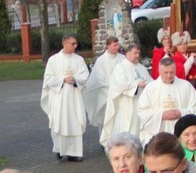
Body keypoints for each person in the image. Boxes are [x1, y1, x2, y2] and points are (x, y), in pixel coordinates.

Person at [41, 34, 89, 162]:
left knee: (74, 122)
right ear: (65, 44)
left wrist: (75, 79)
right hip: (59, 97)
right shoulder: (54, 60)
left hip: (74, 97)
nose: (75, 46)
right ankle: (60, 149)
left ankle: (74, 153)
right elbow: (48, 78)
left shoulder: (79, 60)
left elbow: (85, 76)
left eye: (76, 44)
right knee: (59, 122)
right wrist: (63, 80)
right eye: (72, 44)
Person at [100, 44, 152, 147]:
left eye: (138, 53)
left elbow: (150, 80)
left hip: (142, 104)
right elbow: (119, 85)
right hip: (127, 105)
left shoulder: (141, 67)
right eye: (135, 53)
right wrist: (137, 85)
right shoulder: (120, 68)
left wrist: (151, 85)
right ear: (127, 53)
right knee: (128, 129)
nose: (137, 55)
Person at [137, 57, 196, 145]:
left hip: (183, 136)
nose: (169, 75)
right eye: (165, 72)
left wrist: (181, 113)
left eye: (171, 72)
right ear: (159, 71)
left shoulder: (186, 86)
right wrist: (161, 115)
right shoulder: (150, 88)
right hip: (159, 135)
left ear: (175, 70)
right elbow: (142, 111)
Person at [83, 36, 125, 132]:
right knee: (106, 118)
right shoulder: (101, 60)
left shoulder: (122, 58)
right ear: (108, 46)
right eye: (114, 45)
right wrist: (113, 87)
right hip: (105, 94)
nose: (117, 47)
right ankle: (105, 141)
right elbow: (99, 78)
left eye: (118, 45)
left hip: (120, 93)